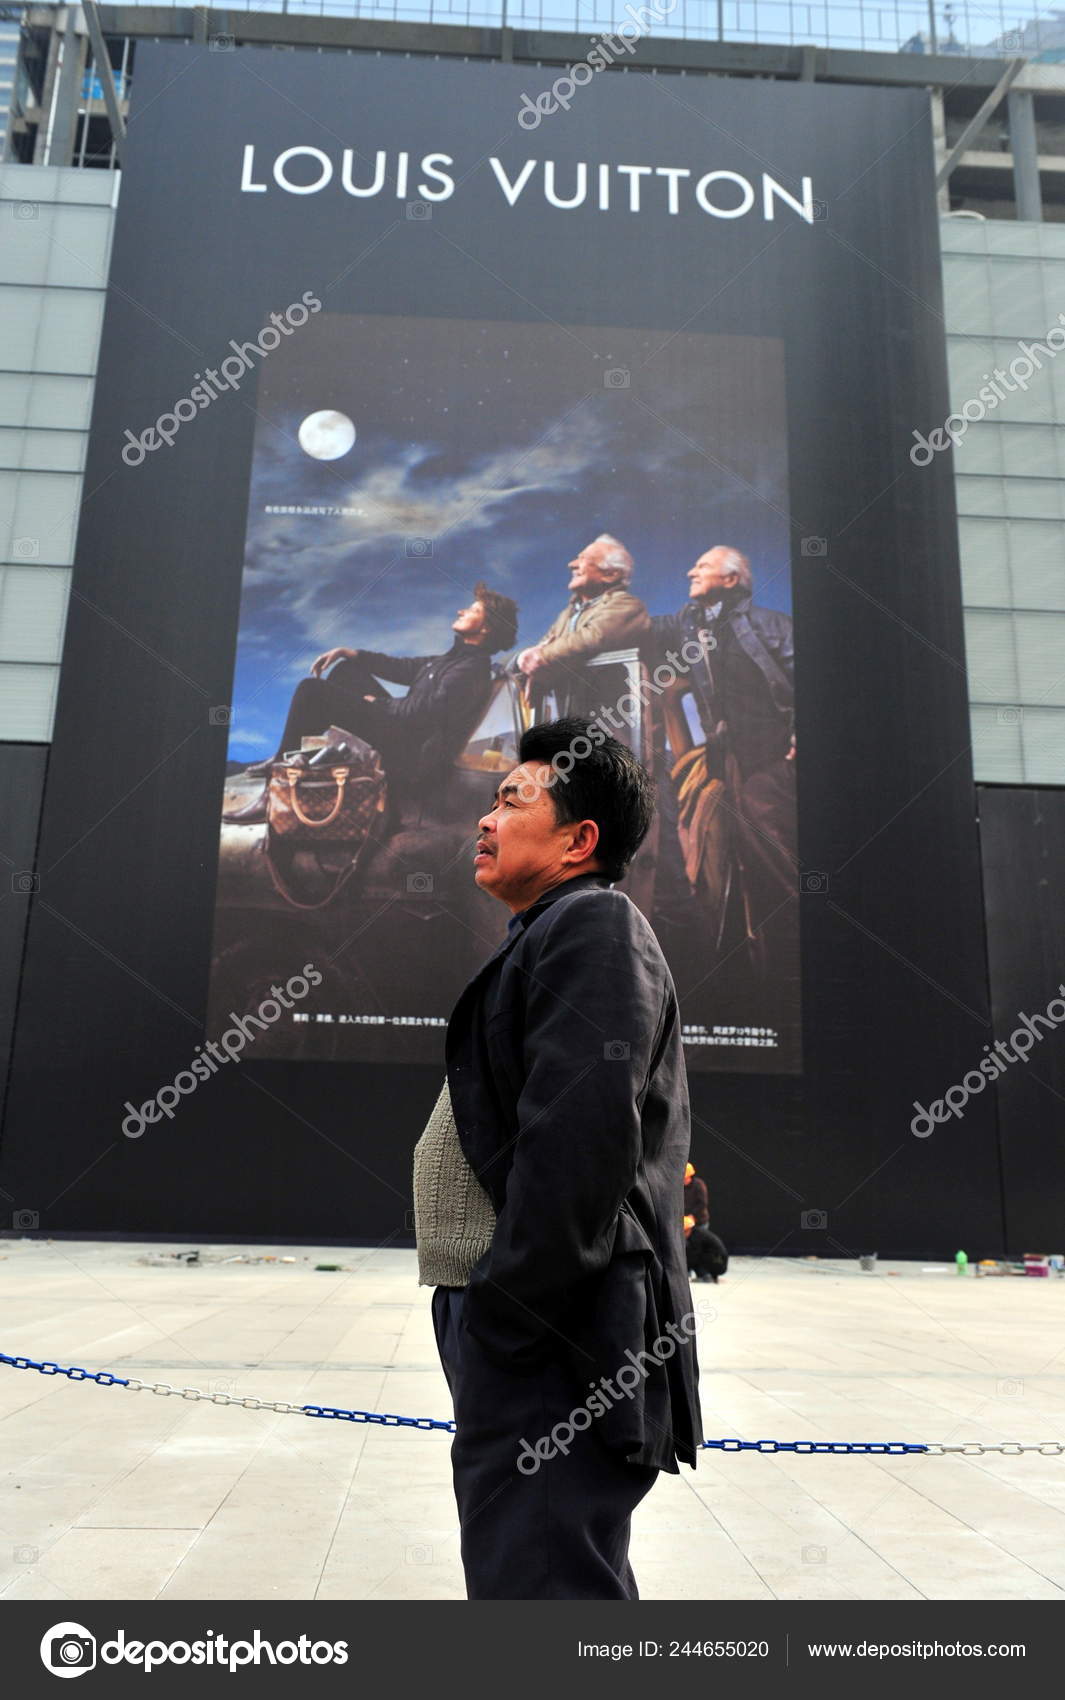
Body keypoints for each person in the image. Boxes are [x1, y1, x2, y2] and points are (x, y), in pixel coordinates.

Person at [412, 717, 703, 1600]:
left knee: (538, 1589)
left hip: (552, 1338)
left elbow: (579, 1144)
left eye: (511, 800)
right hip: (531, 1330)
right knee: (544, 1579)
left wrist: (508, 1312)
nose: (484, 820)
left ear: (580, 840)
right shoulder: (550, 930)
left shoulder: (594, 927)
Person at [223, 584, 518, 824]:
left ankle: (274, 790)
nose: (462, 610)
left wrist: (374, 703)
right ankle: (295, 764)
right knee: (347, 672)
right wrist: (350, 653)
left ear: (487, 628)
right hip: (402, 733)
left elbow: (422, 716)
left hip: (411, 757)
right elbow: (403, 667)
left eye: (474, 609)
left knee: (311, 690)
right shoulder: (453, 659)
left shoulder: (469, 671)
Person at [650, 546, 797, 976]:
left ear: (731, 579)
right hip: (727, 759)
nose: (690, 570)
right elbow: (639, 628)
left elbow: (812, 679)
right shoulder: (689, 627)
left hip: (773, 760)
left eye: (702, 566)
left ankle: (795, 956)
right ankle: (745, 960)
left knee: (768, 835)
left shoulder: (771, 625)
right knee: (731, 849)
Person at [516, 535, 649, 713]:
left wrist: (542, 660)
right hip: (576, 724)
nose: (572, 565)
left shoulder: (628, 606)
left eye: (583, 559)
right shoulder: (566, 615)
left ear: (610, 575)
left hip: (619, 727)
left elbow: (593, 638)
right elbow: (542, 647)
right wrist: (534, 667)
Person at [683, 1160, 728, 1284]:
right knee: (686, 1248)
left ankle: (705, 1273)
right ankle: (687, 1272)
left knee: (700, 1248)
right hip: (685, 1222)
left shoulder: (698, 1185)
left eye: (685, 1177)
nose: (683, 1180)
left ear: (690, 1176)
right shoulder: (679, 1186)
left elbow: (702, 1203)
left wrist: (692, 1216)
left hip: (699, 1221)